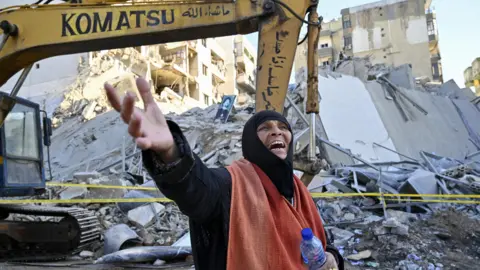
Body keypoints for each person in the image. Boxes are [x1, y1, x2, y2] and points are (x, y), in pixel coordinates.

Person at [104, 78, 344, 270]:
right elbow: (196, 190)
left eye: (283, 128)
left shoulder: (299, 192)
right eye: (265, 128)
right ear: (250, 141)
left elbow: (324, 242)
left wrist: (332, 257)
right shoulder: (231, 184)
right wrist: (172, 152)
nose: (276, 133)